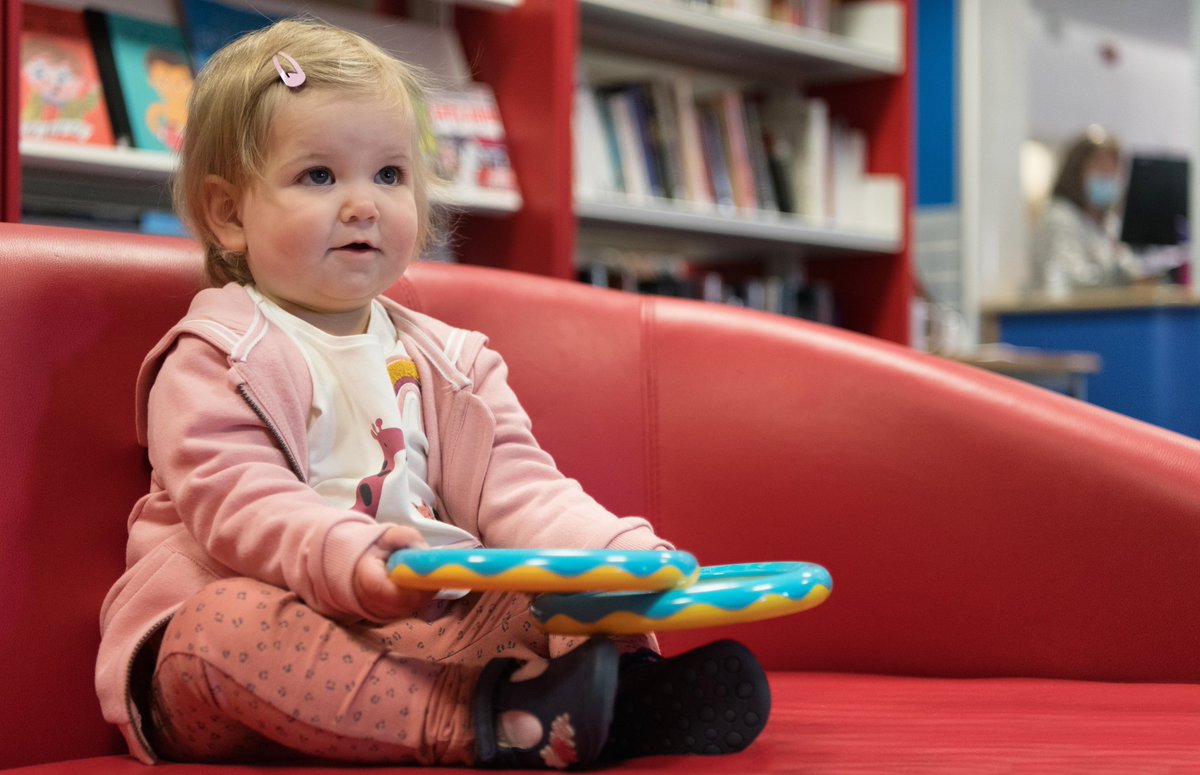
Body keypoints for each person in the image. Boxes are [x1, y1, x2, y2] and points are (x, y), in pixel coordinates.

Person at [93, 17, 769, 770]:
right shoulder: (217, 352)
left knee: (554, 587)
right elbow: (237, 500)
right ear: (229, 214)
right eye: (319, 176)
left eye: (389, 174)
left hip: (423, 630)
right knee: (221, 628)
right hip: (252, 645)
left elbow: (521, 488)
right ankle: (496, 725)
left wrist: (615, 554)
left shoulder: (449, 359)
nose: (363, 204)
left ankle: (619, 697)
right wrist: (344, 556)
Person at [1028, 127, 1144, 296]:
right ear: (1076, 173)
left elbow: (1129, 265)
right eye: (1100, 168)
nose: (1107, 176)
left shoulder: (1110, 223)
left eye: (1113, 170)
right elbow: (1066, 278)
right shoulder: (1059, 217)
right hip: (1063, 319)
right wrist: (1119, 275)